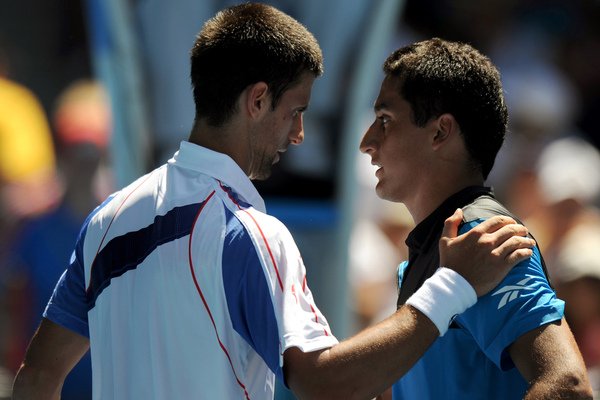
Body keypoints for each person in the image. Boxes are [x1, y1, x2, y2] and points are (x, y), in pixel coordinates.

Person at [12, 5, 535, 400]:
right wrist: (452, 287)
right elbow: (321, 384)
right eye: (296, 111)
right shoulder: (252, 232)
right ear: (257, 101)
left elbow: (37, 376)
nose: (301, 135)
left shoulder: (106, 220)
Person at [359, 37, 593, 399]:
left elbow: (568, 386)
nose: (367, 141)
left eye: (385, 120)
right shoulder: (433, 251)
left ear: (440, 131)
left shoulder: (485, 237)